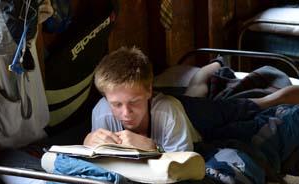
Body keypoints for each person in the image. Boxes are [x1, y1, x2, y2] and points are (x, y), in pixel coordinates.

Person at [83, 46, 299, 153]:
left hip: (193, 115)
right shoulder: (101, 112)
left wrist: (152, 147)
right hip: (181, 108)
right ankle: (206, 71)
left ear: (149, 90)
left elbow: (185, 164)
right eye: (116, 104)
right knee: (192, 94)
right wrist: (87, 143)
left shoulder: (168, 111)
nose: (125, 113)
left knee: (246, 108)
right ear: (106, 98)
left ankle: (275, 96)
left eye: (134, 102)